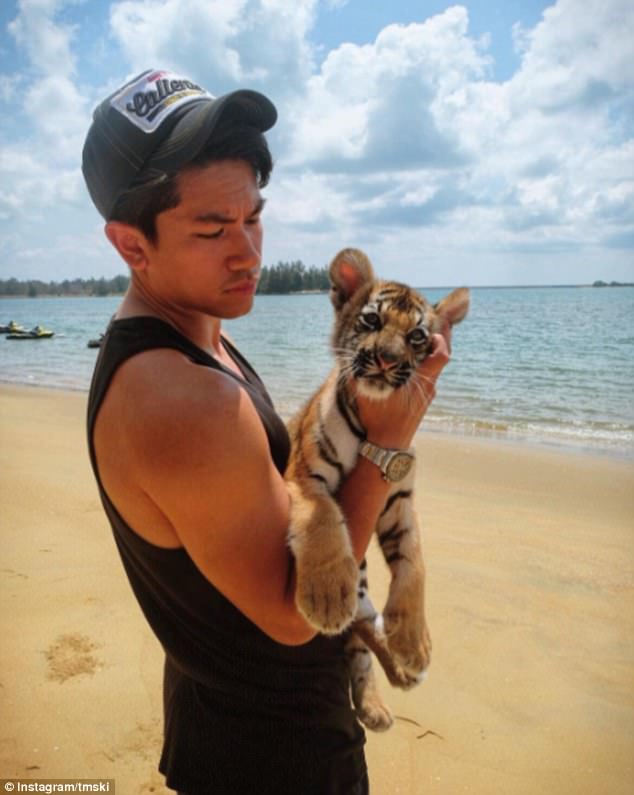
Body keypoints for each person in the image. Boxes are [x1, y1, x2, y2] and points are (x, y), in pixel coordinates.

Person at [82, 69, 451, 795]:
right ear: (131, 245)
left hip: (224, 720)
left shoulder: (194, 332)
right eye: (213, 230)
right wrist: (386, 443)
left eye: (254, 217)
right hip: (277, 755)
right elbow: (292, 616)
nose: (249, 252)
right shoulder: (181, 398)